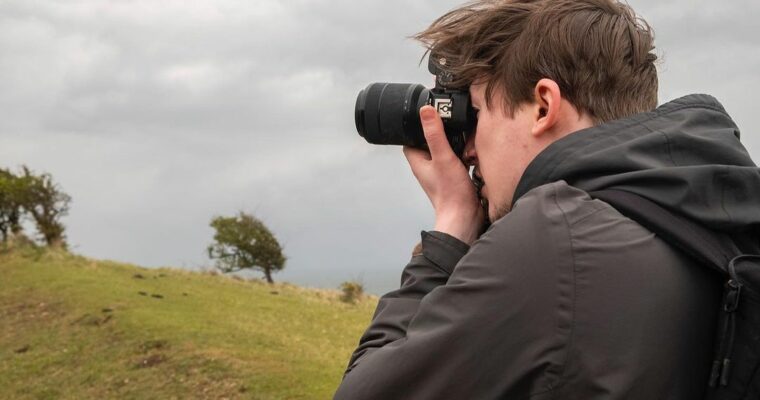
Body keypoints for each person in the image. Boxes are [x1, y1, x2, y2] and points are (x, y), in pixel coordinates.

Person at [334, 0, 760, 399]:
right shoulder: (708, 213)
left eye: (477, 113)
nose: (468, 150)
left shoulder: (552, 240)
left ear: (543, 106)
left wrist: (451, 229)